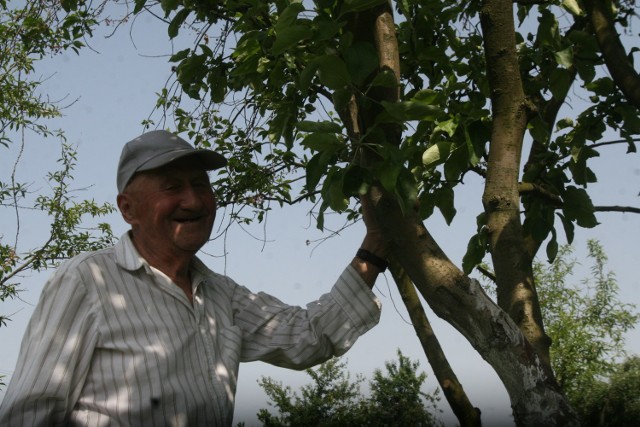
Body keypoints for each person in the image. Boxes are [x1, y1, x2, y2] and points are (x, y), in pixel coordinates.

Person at [0, 130, 388, 426]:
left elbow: (308, 336)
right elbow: (30, 413)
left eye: (200, 184)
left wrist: (375, 245)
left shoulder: (222, 296)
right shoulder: (88, 281)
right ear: (128, 209)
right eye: (172, 187)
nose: (194, 200)